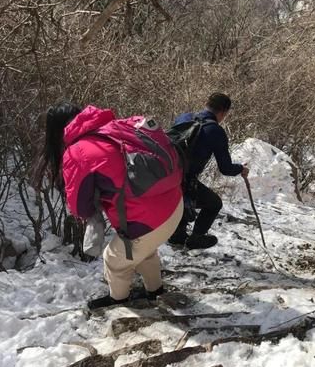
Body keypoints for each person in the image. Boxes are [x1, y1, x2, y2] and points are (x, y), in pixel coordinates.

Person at [43, 102, 183, 309]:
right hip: (174, 204)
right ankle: (156, 291)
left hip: (148, 219)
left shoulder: (77, 152)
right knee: (145, 250)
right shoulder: (119, 127)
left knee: (114, 260)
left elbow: (80, 208)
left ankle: (118, 302)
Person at [169, 92, 249, 250]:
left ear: (207, 103)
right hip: (185, 181)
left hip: (167, 174)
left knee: (188, 195)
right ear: (224, 112)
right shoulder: (215, 131)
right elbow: (225, 168)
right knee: (213, 203)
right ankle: (196, 238)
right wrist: (241, 169)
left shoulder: (184, 118)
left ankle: (177, 236)